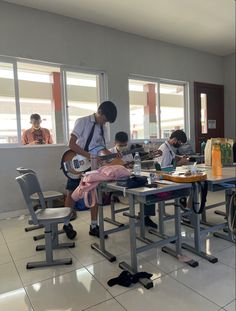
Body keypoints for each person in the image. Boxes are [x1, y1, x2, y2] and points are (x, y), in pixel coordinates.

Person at [65, 101, 117, 237]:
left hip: (91, 165)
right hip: (76, 161)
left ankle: (94, 226)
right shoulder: (82, 121)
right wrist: (90, 156)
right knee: (71, 193)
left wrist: (111, 156)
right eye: (104, 119)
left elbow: (102, 148)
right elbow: (71, 144)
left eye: (106, 122)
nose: (104, 123)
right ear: (99, 112)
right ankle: (66, 223)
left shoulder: (103, 128)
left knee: (94, 193)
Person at [109, 131, 158, 229]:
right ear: (115, 143)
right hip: (117, 183)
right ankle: (144, 215)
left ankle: (145, 216)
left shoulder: (128, 153)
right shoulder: (109, 153)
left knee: (150, 187)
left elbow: (132, 166)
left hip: (131, 179)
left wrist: (132, 166)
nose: (123, 147)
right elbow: (107, 170)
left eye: (125, 145)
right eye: (120, 145)